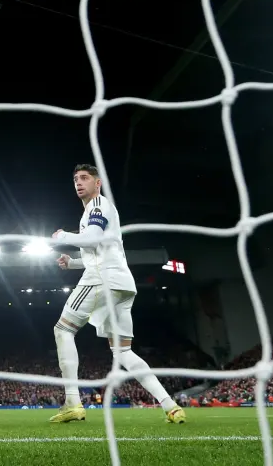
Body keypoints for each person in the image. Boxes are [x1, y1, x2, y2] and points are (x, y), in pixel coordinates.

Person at [49, 164, 185, 425]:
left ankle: (73, 403)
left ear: (97, 183)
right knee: (123, 352)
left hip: (101, 280)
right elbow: (101, 249)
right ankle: (170, 405)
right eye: (76, 179)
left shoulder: (97, 205)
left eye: (85, 178)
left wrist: (63, 236)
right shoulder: (97, 210)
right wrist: (72, 262)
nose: (79, 182)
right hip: (121, 284)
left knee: (63, 330)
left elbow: (92, 238)